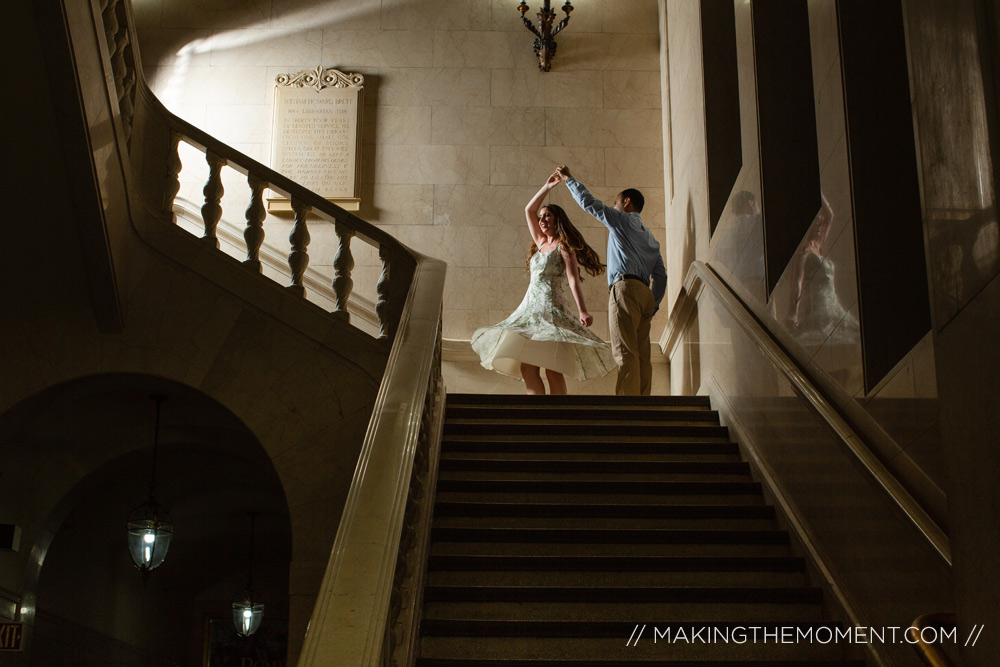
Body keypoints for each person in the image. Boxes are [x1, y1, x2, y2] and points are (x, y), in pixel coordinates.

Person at [471, 173, 616, 394]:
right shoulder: (540, 243)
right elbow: (528, 210)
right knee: (527, 367)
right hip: (530, 312)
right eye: (541, 217)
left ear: (557, 220)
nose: (542, 220)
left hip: (551, 312)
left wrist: (583, 310)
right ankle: (536, 414)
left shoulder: (563, 247)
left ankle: (558, 417)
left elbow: (573, 279)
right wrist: (546, 187)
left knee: (552, 368)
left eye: (547, 216)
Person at [556, 165, 667, 396]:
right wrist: (653, 303)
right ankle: (644, 403)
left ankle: (628, 407)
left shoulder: (621, 220)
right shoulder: (651, 239)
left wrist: (569, 179)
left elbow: (589, 203)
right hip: (645, 294)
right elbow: (661, 276)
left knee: (625, 351)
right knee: (642, 354)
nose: (613, 206)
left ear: (626, 202)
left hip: (625, 288)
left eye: (615, 202)